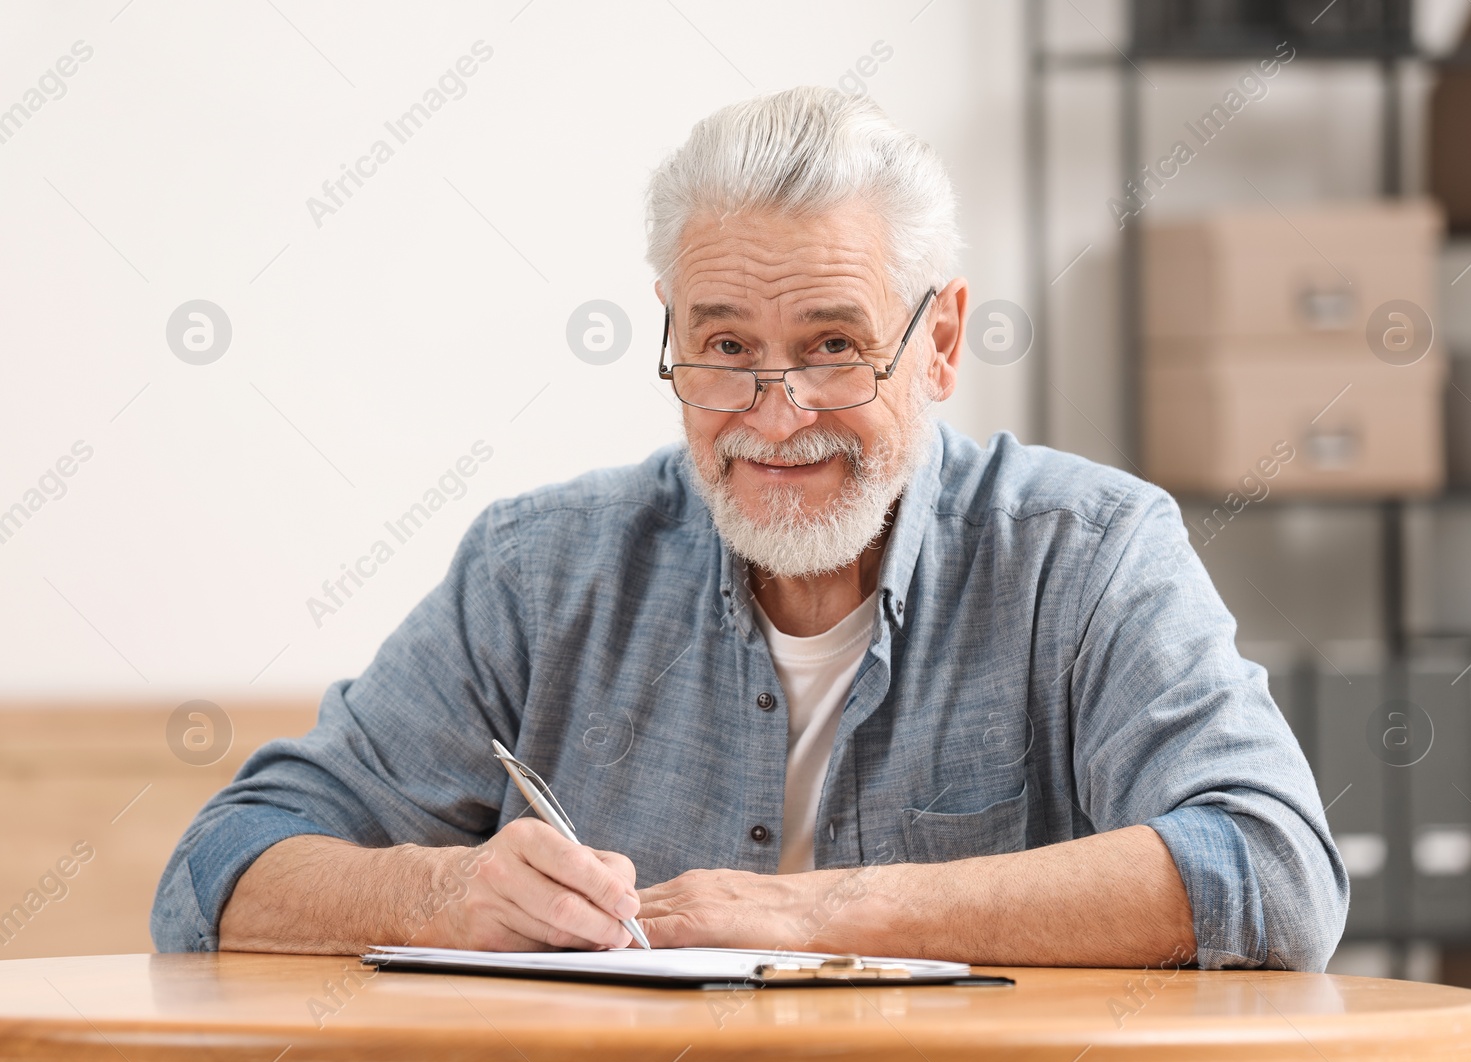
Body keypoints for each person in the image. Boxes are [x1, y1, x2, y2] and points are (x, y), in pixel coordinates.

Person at [153, 85, 1347, 970]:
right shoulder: (536, 571)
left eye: (833, 345)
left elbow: (1272, 870)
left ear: (938, 342)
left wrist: (817, 911)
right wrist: (439, 891)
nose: (775, 416)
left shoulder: (1085, 553)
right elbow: (219, 869)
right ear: (673, 334)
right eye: (725, 349)